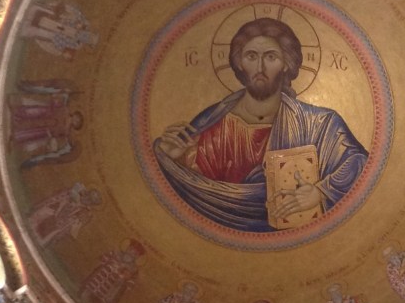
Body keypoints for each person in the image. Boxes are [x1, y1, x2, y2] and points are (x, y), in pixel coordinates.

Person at [154, 18, 367, 232]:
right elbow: (197, 191)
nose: (260, 68)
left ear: (286, 63)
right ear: (239, 62)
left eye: (271, 57)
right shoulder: (212, 127)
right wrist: (175, 160)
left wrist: (321, 192)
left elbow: (358, 162)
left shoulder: (320, 124)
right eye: (251, 56)